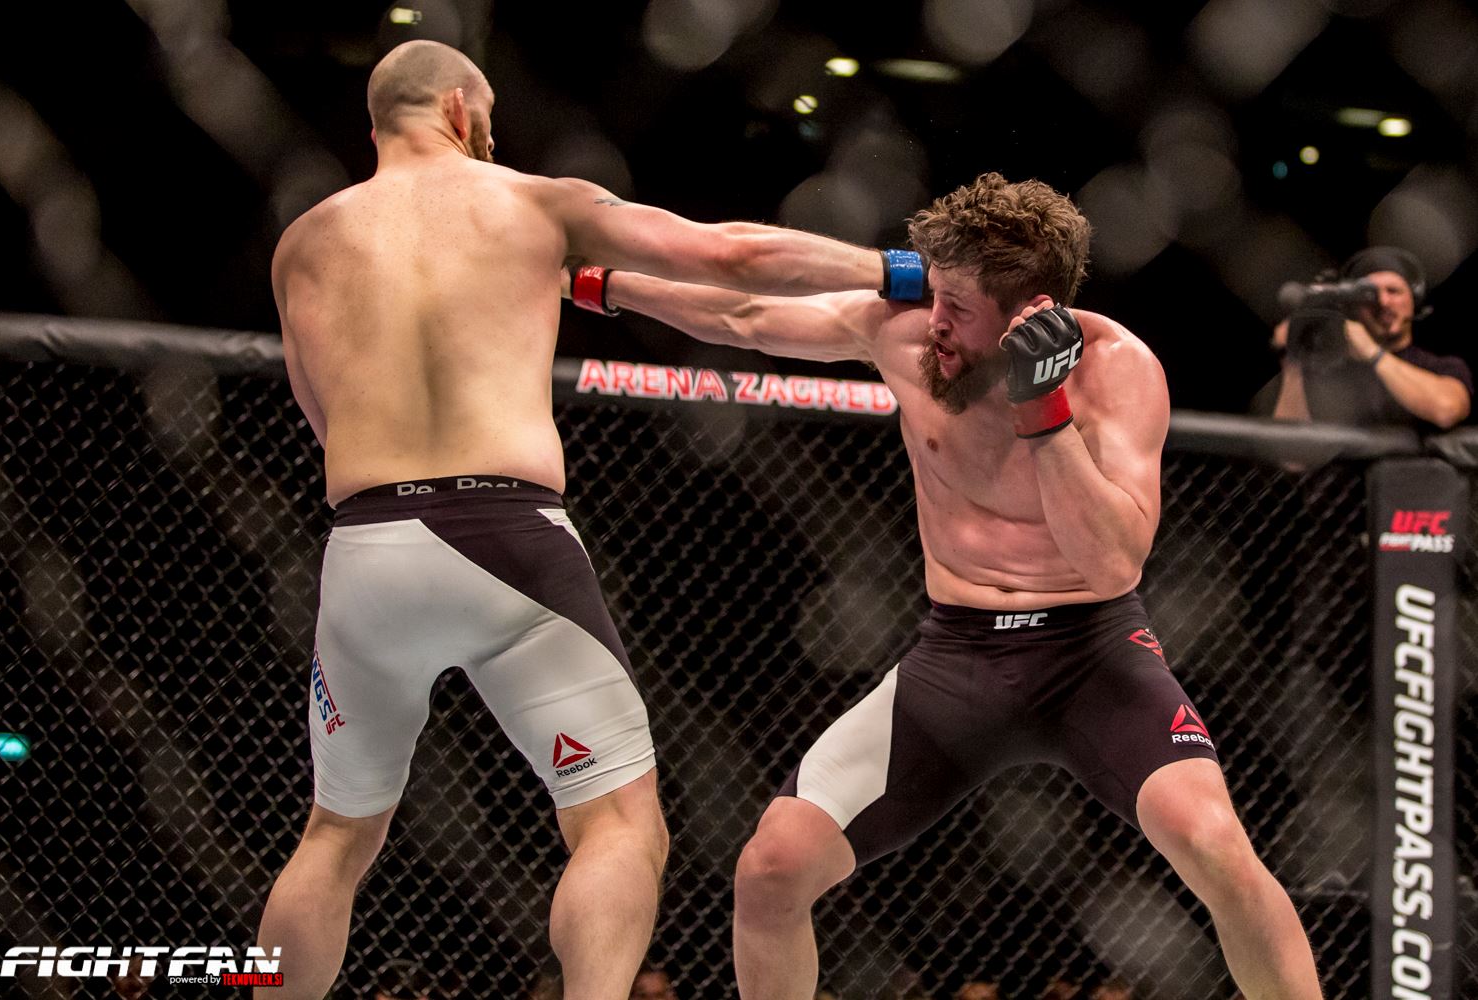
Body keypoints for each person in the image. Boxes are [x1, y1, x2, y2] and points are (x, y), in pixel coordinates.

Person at [258, 39, 924, 1000]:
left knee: (335, 834)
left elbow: (317, 410)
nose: (493, 138)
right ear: (459, 110)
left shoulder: (304, 242)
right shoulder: (536, 202)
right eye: (489, 120)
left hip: (364, 546)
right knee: (616, 822)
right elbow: (735, 255)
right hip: (505, 533)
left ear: (375, 127)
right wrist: (898, 269)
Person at [575, 172, 1324, 1000]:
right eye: (934, 294)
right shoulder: (904, 337)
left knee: (1221, 855)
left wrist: (1044, 413)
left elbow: (1114, 564)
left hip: (1092, 653)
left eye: (958, 307)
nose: (935, 320)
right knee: (771, 868)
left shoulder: (1117, 371)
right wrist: (604, 285)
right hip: (957, 657)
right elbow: (744, 315)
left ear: (1032, 312)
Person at [1270, 246, 1471, 428]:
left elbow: (1447, 410)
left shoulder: (1442, 367)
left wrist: (1372, 352)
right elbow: (1291, 449)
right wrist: (1293, 362)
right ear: (1353, 308)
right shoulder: (1330, 369)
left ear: (1414, 300)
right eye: (1368, 295)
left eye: (1393, 291)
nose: (1383, 302)